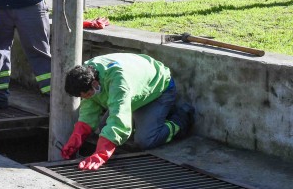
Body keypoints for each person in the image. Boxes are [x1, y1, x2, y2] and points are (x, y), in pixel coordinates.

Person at [60, 53, 195, 171]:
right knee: (104, 128)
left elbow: (119, 121)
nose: (87, 98)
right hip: (136, 90)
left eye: (88, 94)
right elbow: (89, 110)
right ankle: (156, 118)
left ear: (95, 84)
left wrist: (101, 154)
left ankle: (181, 119)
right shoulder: (87, 73)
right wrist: (77, 137)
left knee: (145, 140)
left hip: (159, 89)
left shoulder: (118, 81)